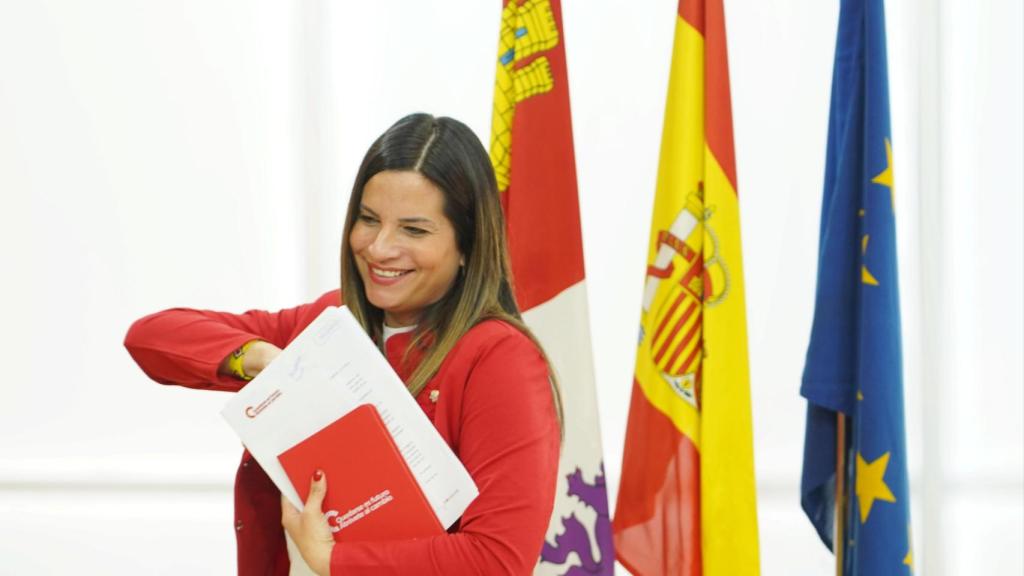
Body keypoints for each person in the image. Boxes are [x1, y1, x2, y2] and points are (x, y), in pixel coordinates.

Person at [124, 113, 562, 576]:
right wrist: (259, 359)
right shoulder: (330, 322)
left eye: (414, 230)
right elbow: (151, 337)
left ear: (467, 246)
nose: (379, 248)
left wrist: (333, 560)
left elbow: (496, 560)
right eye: (368, 220)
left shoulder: (500, 358)